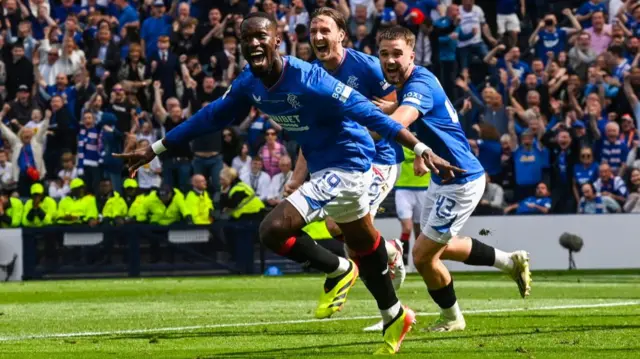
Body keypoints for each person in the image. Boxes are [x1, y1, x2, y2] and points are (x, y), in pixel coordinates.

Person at [114, 13, 459, 354]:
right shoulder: (249, 83)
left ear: (277, 40)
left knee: (272, 230)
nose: (253, 43)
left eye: (261, 36)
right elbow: (210, 116)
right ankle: (395, 315)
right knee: (364, 246)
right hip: (326, 168)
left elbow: (364, 111)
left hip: (350, 165)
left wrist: (420, 146)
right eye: (247, 38)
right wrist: (155, 149)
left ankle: (338, 269)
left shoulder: (310, 77)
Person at [376, 26, 531, 333]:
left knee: (422, 257)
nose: (390, 60)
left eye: (397, 53)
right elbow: (417, 116)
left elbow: (398, 122)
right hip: (443, 177)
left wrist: (367, 122)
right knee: (436, 248)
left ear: (412, 54)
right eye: (384, 54)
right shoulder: (414, 83)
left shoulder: (418, 85)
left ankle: (453, 318)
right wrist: (421, 150)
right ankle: (509, 261)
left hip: (460, 180)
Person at [303, 9, 410, 332]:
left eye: (325, 30)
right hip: (344, 161)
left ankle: (391, 312)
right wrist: (297, 175)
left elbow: (393, 114)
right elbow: (309, 130)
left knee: (350, 232)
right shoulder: (310, 75)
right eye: (313, 31)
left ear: (341, 35)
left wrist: (416, 147)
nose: (318, 37)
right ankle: (390, 253)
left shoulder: (366, 67)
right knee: (344, 234)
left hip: (380, 158)